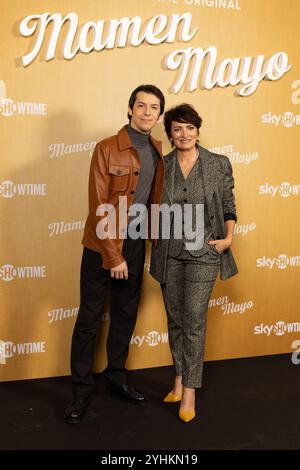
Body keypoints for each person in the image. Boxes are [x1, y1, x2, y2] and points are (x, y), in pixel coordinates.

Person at [64, 84, 165, 424]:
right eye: (141, 105)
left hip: (135, 243)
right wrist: (113, 255)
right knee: (90, 319)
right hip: (101, 245)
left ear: (159, 115)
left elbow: (152, 203)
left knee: (125, 314)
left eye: (154, 107)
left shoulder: (156, 148)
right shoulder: (106, 148)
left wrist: (151, 245)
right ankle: (80, 391)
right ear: (130, 109)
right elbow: (98, 205)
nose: (147, 112)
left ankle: (116, 379)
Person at [150, 104, 238, 422]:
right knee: (175, 320)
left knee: (194, 321)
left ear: (198, 130)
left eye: (189, 127)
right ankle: (178, 377)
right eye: (177, 128)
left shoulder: (218, 163)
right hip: (170, 254)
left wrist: (227, 238)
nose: (184, 134)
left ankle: (189, 391)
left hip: (204, 253)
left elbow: (228, 203)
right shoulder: (163, 165)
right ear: (170, 134)